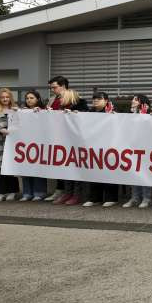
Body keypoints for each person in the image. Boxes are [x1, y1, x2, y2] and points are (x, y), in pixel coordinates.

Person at [46, 76, 89, 205]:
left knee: (75, 168)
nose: (60, 99)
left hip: (75, 141)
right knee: (65, 168)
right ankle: (67, 193)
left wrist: (75, 114)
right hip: (61, 140)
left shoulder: (79, 103)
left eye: (55, 87)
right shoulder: (56, 103)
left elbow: (87, 117)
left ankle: (76, 195)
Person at [83, 92, 120, 207]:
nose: (95, 101)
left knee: (109, 172)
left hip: (109, 147)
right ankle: (95, 198)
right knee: (94, 172)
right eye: (94, 99)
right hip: (94, 146)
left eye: (99, 99)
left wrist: (112, 115)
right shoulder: (90, 113)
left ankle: (111, 198)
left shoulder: (112, 110)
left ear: (106, 101)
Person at [123, 94, 152, 209]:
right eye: (133, 99)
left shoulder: (149, 113)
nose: (132, 101)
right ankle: (135, 197)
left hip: (145, 148)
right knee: (134, 173)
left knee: (145, 173)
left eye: (136, 99)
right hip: (132, 147)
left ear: (142, 102)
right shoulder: (130, 113)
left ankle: (147, 198)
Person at [20, 90, 49, 201]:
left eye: (32, 98)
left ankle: (40, 192)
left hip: (40, 143)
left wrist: (41, 112)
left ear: (37, 99)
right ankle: (27, 192)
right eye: (27, 98)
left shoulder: (44, 110)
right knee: (25, 168)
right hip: (25, 143)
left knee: (38, 168)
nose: (29, 100)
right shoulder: (22, 111)